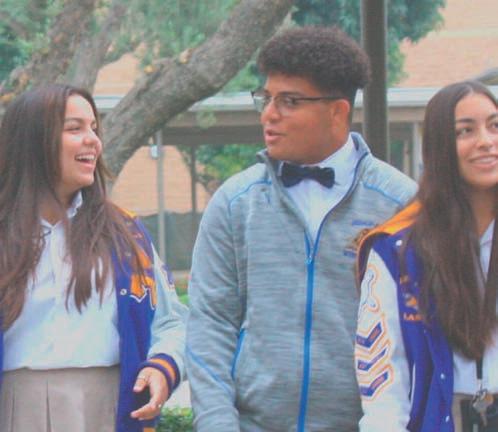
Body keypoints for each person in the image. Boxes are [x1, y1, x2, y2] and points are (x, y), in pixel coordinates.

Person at [186, 26, 417, 431]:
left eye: (289, 101)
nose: (269, 114)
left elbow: (417, 337)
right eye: (266, 98)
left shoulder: (400, 206)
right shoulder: (235, 203)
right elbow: (210, 326)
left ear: (337, 112)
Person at [0, 84, 187, 432]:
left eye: (94, 129)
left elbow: (172, 321)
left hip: (110, 408)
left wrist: (162, 366)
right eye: (74, 128)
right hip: (14, 409)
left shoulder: (126, 233)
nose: (93, 141)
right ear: (31, 141)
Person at [355, 80, 498, 431]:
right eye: (465, 131)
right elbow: (383, 379)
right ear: (438, 147)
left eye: (495, 126)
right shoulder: (397, 248)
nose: (486, 141)